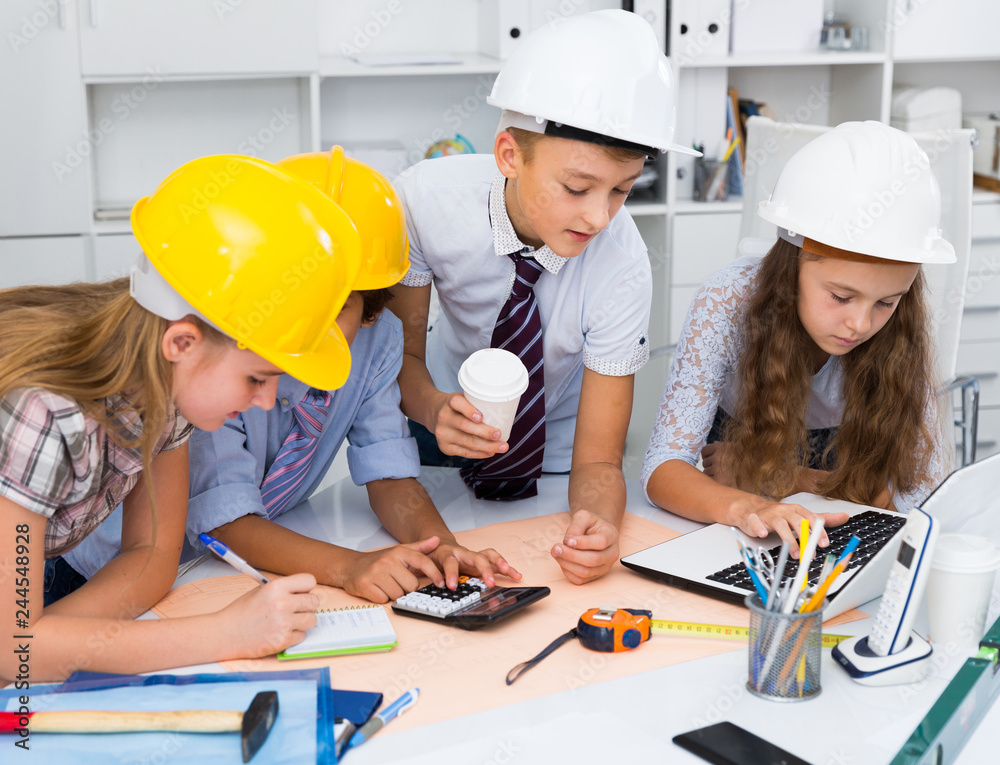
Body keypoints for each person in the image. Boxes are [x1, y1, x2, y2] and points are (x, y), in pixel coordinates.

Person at [0, 154, 364, 682]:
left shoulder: (170, 392)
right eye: (256, 378)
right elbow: (16, 650)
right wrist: (225, 634)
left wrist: (46, 644)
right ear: (182, 343)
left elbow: (151, 556)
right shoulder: (42, 413)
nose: (266, 402)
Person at [388, 10, 698, 585]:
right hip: (434, 430)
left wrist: (598, 525)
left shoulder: (623, 262)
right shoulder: (426, 203)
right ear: (510, 155)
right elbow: (396, 357)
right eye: (577, 188)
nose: (599, 216)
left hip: (558, 463)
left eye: (622, 191)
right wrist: (432, 408)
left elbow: (599, 459)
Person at [183, 149, 520, 604]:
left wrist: (440, 547)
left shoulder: (378, 340)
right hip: (164, 567)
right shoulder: (230, 346)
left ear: (371, 307)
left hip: (248, 567)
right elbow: (226, 520)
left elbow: (389, 474)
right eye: (297, 292)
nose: (310, 319)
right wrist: (348, 567)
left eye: (337, 304)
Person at [642, 121, 954, 556]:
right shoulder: (727, 301)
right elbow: (662, 469)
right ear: (791, 268)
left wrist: (785, 478)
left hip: (839, 524)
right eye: (841, 296)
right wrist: (750, 504)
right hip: (751, 524)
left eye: (886, 302)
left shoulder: (901, 326)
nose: (860, 324)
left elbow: (922, 502)